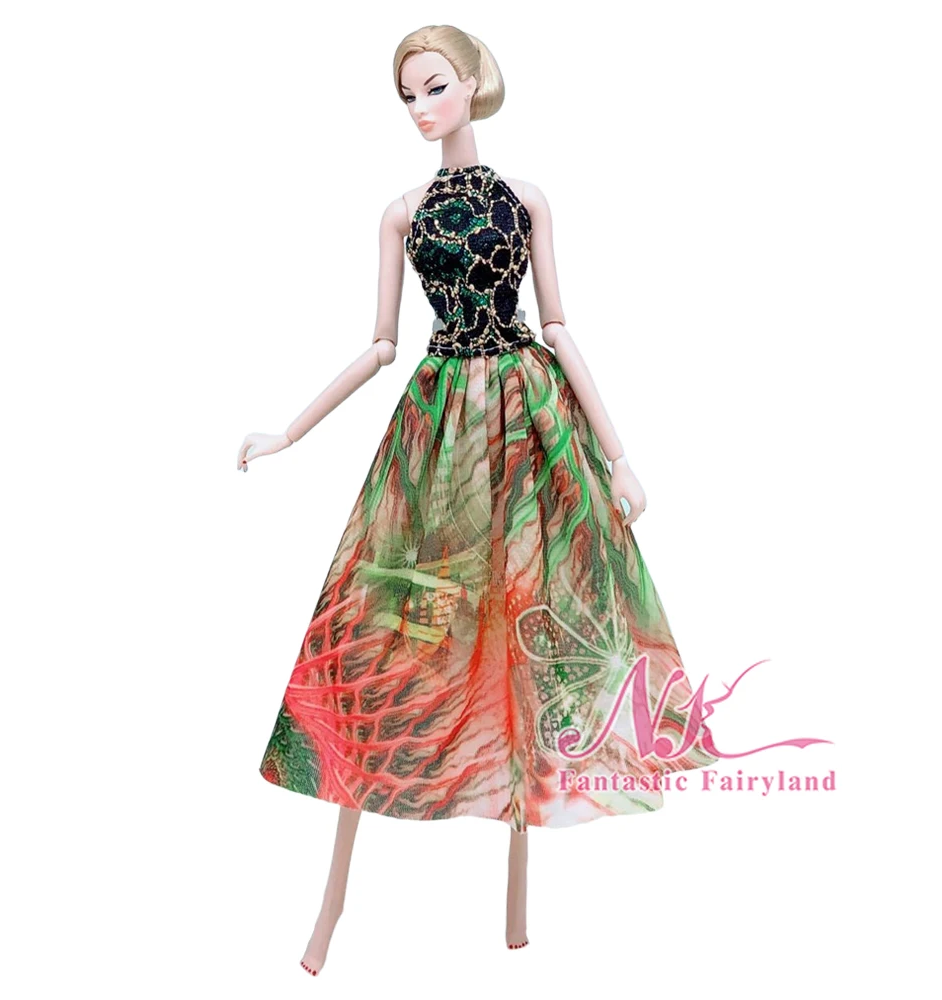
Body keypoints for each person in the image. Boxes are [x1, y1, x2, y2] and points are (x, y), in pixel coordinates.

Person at [237, 23, 717, 978]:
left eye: (434, 87)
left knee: (532, 608)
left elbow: (561, 326)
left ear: (470, 84)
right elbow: (381, 344)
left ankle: (516, 900)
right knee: (388, 628)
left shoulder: (525, 199)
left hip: (531, 418)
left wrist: (620, 456)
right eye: (407, 95)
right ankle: (331, 907)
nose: (421, 109)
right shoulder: (400, 213)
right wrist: (289, 431)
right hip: (440, 430)